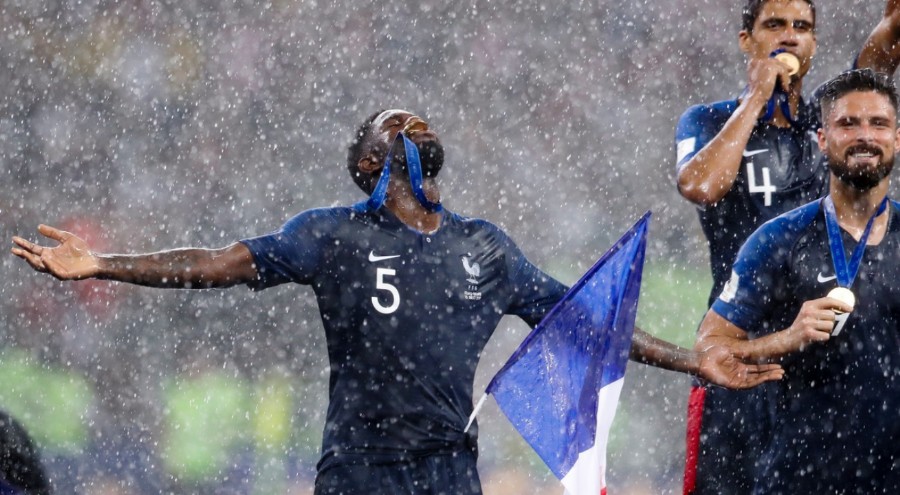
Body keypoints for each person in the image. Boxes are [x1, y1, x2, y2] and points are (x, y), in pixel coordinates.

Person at [12, 109, 782, 495]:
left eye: (415, 121)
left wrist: (693, 359)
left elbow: (586, 322)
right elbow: (217, 263)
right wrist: (102, 263)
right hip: (357, 471)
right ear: (368, 162)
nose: (408, 119)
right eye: (390, 124)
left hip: (447, 472)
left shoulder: (486, 249)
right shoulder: (330, 236)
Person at [674, 1, 900, 492]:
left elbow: (873, 74)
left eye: (802, 27)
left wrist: (893, 25)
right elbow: (700, 186)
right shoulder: (709, 120)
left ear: (814, 43)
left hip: (825, 359)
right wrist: (755, 99)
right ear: (746, 40)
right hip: (742, 347)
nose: (790, 37)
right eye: (774, 25)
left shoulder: (829, 125)